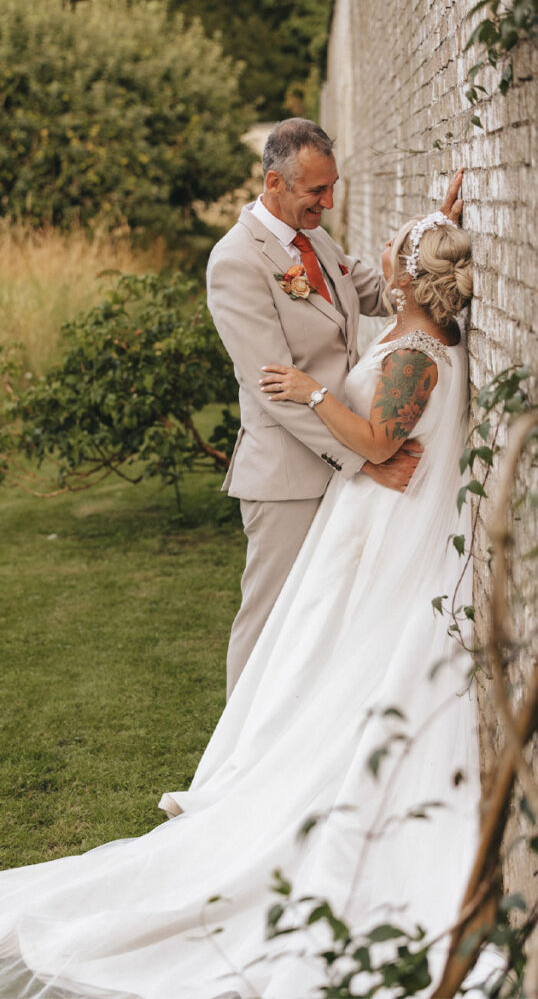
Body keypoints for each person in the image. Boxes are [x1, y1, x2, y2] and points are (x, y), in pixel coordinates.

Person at [0, 211, 485, 999]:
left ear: (405, 275)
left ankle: (269, 776)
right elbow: (389, 406)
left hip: (384, 525)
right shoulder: (430, 336)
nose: (381, 254)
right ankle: (260, 754)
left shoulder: (419, 354)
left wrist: (312, 389)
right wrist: (445, 209)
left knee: (335, 662)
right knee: (310, 652)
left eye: (396, 249)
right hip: (370, 521)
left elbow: (373, 444)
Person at [206, 118, 463, 697]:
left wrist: (435, 233)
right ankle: (237, 759)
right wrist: (365, 460)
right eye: (315, 191)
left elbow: (381, 287)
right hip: (288, 475)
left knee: (317, 622)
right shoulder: (236, 262)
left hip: (341, 456)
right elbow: (276, 390)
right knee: (271, 619)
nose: (327, 201)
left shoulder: (315, 237)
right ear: (274, 182)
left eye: (332, 187)